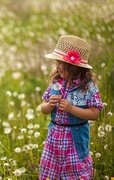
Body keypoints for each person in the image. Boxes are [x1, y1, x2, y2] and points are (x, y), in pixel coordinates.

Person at [39, 35, 103, 180]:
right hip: (54, 141)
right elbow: (43, 109)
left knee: (74, 173)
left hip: (74, 141)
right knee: (51, 173)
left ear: (73, 67)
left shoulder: (88, 88)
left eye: (61, 63)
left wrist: (71, 109)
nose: (57, 67)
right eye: (57, 63)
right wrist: (49, 104)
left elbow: (94, 114)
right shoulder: (56, 83)